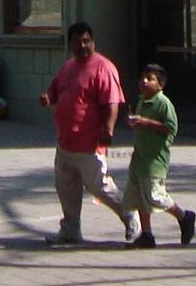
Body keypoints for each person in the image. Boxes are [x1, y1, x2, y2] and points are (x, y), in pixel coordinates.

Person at [39, 20, 136, 246]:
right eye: (76, 42)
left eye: (86, 41)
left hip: (89, 142)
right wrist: (47, 98)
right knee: (66, 188)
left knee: (100, 187)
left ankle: (131, 217)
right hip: (65, 143)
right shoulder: (68, 66)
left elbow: (112, 103)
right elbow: (54, 91)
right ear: (70, 44)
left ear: (93, 42)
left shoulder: (104, 67)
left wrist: (108, 130)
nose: (81, 46)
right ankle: (70, 230)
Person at [123, 62, 195, 248]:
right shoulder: (142, 101)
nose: (144, 82)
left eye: (150, 79)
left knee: (155, 196)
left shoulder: (163, 103)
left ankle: (184, 216)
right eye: (143, 78)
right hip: (139, 158)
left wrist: (147, 122)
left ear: (160, 84)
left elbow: (171, 128)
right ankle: (146, 234)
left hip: (154, 161)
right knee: (138, 196)